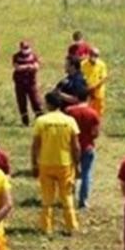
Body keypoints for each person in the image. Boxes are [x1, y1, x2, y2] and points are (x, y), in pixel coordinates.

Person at [31, 92, 81, 236]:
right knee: (66, 196)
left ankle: (46, 227)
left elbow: (35, 145)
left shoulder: (41, 121)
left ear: (48, 104)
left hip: (46, 163)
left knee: (47, 197)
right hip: (65, 163)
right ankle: (71, 226)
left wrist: (34, 163)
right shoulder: (70, 121)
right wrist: (77, 164)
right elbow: (76, 146)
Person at [65, 100, 100, 210]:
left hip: (71, 147)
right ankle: (83, 201)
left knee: (70, 173)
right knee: (86, 174)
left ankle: (69, 198)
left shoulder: (69, 111)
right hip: (87, 147)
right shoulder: (93, 113)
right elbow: (95, 133)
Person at [11, 40, 42, 126]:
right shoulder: (16, 56)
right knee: (22, 102)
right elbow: (17, 67)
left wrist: (25, 67)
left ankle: (40, 119)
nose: (25, 50)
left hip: (31, 83)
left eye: (27, 48)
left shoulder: (33, 55)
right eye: (24, 48)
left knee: (36, 101)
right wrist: (28, 66)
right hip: (20, 83)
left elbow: (36, 66)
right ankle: (25, 122)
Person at [82, 47, 109, 118]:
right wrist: (87, 87)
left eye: (96, 55)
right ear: (89, 54)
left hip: (98, 91)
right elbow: (81, 76)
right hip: (86, 91)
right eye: (92, 54)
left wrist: (94, 87)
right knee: (87, 110)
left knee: (98, 111)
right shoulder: (83, 64)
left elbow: (103, 78)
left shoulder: (101, 64)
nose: (94, 57)